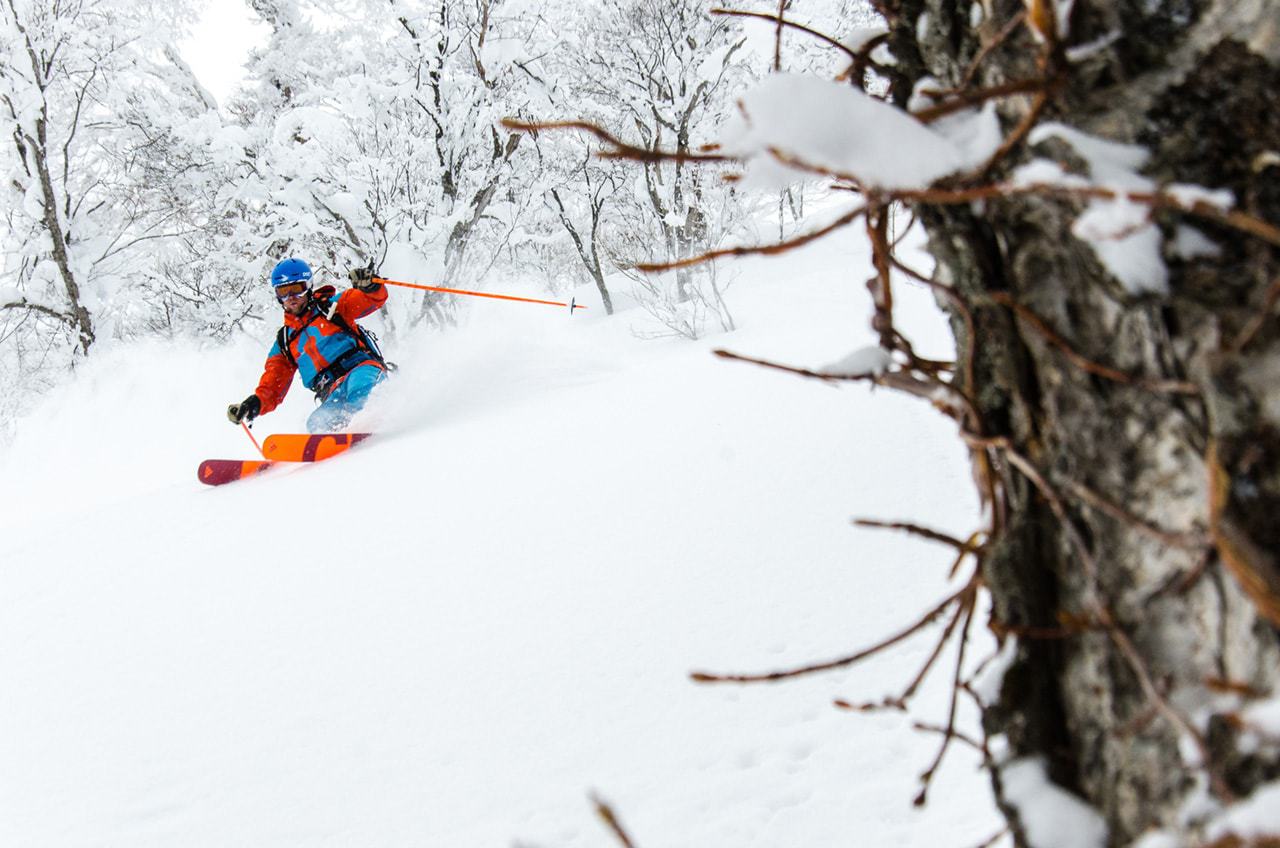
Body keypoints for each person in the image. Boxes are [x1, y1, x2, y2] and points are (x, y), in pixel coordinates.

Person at [227, 257, 389, 433]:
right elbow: (273, 384)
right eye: (284, 292)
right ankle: (337, 445)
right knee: (316, 423)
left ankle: (371, 425)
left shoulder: (332, 307)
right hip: (332, 391)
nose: (291, 298)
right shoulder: (286, 342)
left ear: (308, 286)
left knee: (359, 390)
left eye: (297, 289)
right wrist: (253, 404)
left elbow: (371, 299)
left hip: (361, 369)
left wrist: (370, 286)